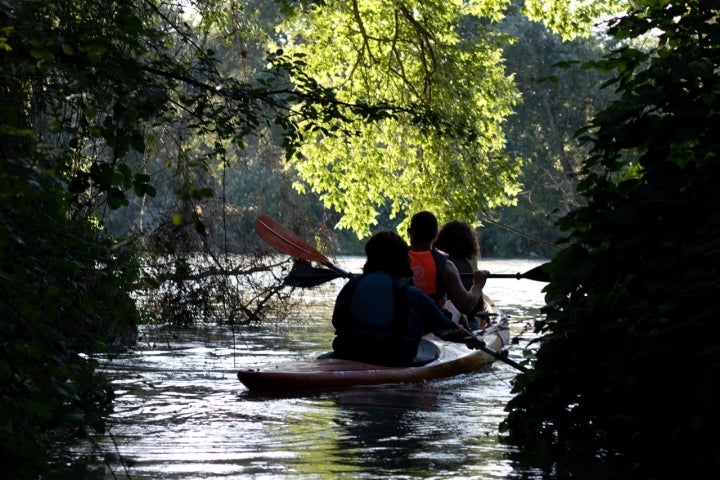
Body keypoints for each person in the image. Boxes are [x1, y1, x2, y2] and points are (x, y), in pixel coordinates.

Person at [331, 231, 483, 365]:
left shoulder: (352, 286)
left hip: (347, 350)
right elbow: (445, 329)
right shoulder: (409, 293)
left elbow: (337, 321)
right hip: (391, 358)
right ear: (401, 259)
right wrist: (475, 340)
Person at [407, 211, 487, 319]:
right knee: (459, 313)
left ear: (410, 232)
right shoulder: (447, 267)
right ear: (435, 236)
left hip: (403, 324)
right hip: (433, 323)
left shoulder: (395, 260)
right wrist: (478, 285)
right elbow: (466, 306)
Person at [435, 219, 487, 329]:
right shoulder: (471, 259)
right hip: (469, 314)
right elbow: (478, 303)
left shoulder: (439, 261)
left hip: (443, 314)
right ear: (469, 241)